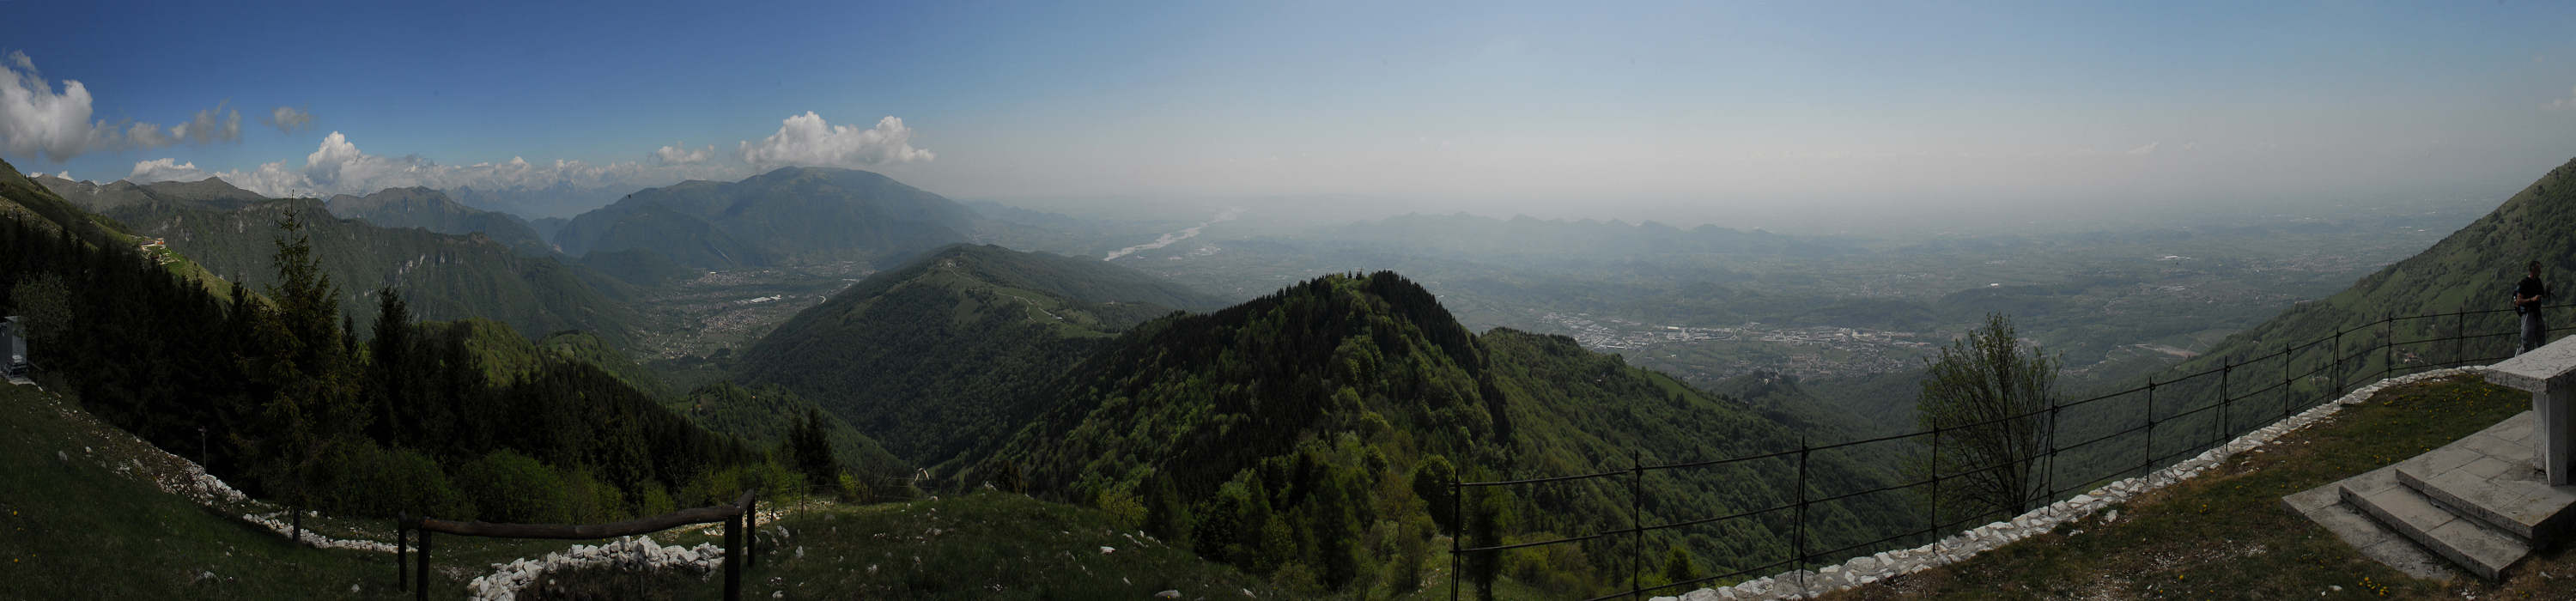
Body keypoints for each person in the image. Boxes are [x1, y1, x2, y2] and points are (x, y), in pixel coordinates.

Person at [2516, 261, 2550, 355]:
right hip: (2528, 314)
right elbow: (2519, 301)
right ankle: (2520, 362)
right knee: (2526, 342)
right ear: (2532, 270)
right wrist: (2532, 299)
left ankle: (2540, 359)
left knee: (2541, 339)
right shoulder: (2524, 283)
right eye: (2538, 269)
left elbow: (2542, 295)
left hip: (2537, 314)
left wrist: (2547, 292)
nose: (2540, 271)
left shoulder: (2538, 281)